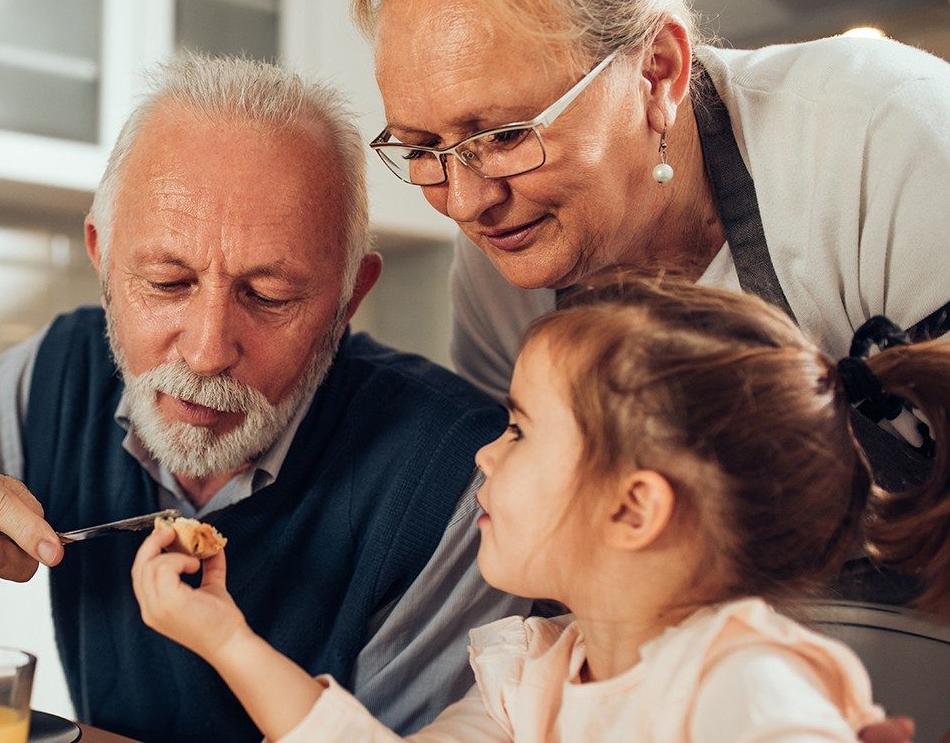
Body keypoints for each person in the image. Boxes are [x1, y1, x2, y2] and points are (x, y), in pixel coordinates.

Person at [0, 54, 523, 742]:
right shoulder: (58, 373)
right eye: (166, 284)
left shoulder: (460, 477)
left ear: (348, 299)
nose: (204, 350)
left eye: (268, 296)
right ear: (100, 257)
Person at [132, 272, 950, 741]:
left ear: (633, 509)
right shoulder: (532, 675)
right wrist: (225, 637)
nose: (485, 452)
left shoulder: (746, 691)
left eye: (519, 430)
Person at [352, 0, 950, 518]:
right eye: (424, 149)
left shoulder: (881, 136)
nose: (468, 202)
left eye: (506, 136)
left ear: (658, 72)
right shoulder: (500, 275)